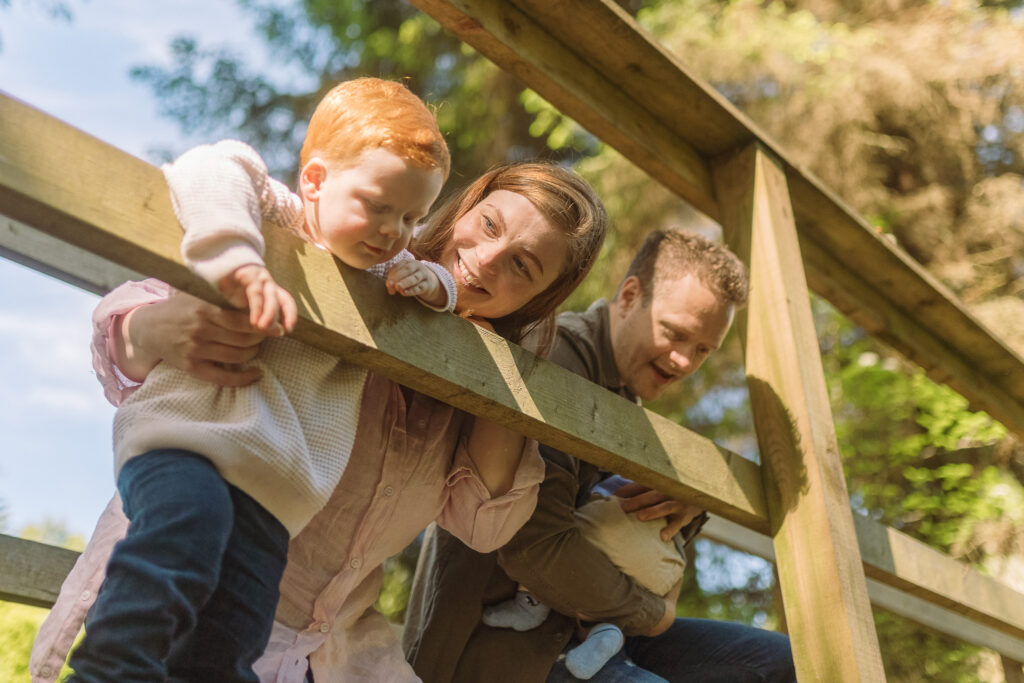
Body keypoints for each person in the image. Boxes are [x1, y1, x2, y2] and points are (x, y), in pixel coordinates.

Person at [31, 157, 608, 682]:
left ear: (537, 301)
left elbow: (486, 526)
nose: (485, 259)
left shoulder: (479, 382)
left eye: (522, 266)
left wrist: (508, 362)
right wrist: (151, 328)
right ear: (464, 208)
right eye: (488, 225)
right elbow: (128, 336)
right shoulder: (352, 247)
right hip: (186, 586)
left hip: (331, 655)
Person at [64, 77, 454, 683]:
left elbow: (436, 284)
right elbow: (213, 166)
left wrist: (437, 286)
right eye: (377, 205)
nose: (391, 230)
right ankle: (110, 667)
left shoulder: (383, 274)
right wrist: (240, 259)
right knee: (182, 537)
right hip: (189, 441)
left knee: (235, 629)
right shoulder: (285, 218)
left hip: (276, 491)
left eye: (411, 216)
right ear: (316, 182)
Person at [403, 229, 797, 683]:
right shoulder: (558, 357)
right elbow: (532, 546)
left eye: (703, 349)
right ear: (630, 296)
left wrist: (692, 502)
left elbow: (644, 533)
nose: (686, 361)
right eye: (676, 333)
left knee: (780, 664)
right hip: (505, 645)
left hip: (596, 630)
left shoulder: (629, 401)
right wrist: (654, 614)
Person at [480, 474, 697, 680]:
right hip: (665, 568)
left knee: (566, 547)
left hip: (610, 531)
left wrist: (694, 506)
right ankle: (607, 630)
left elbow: (541, 546)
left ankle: (530, 604)